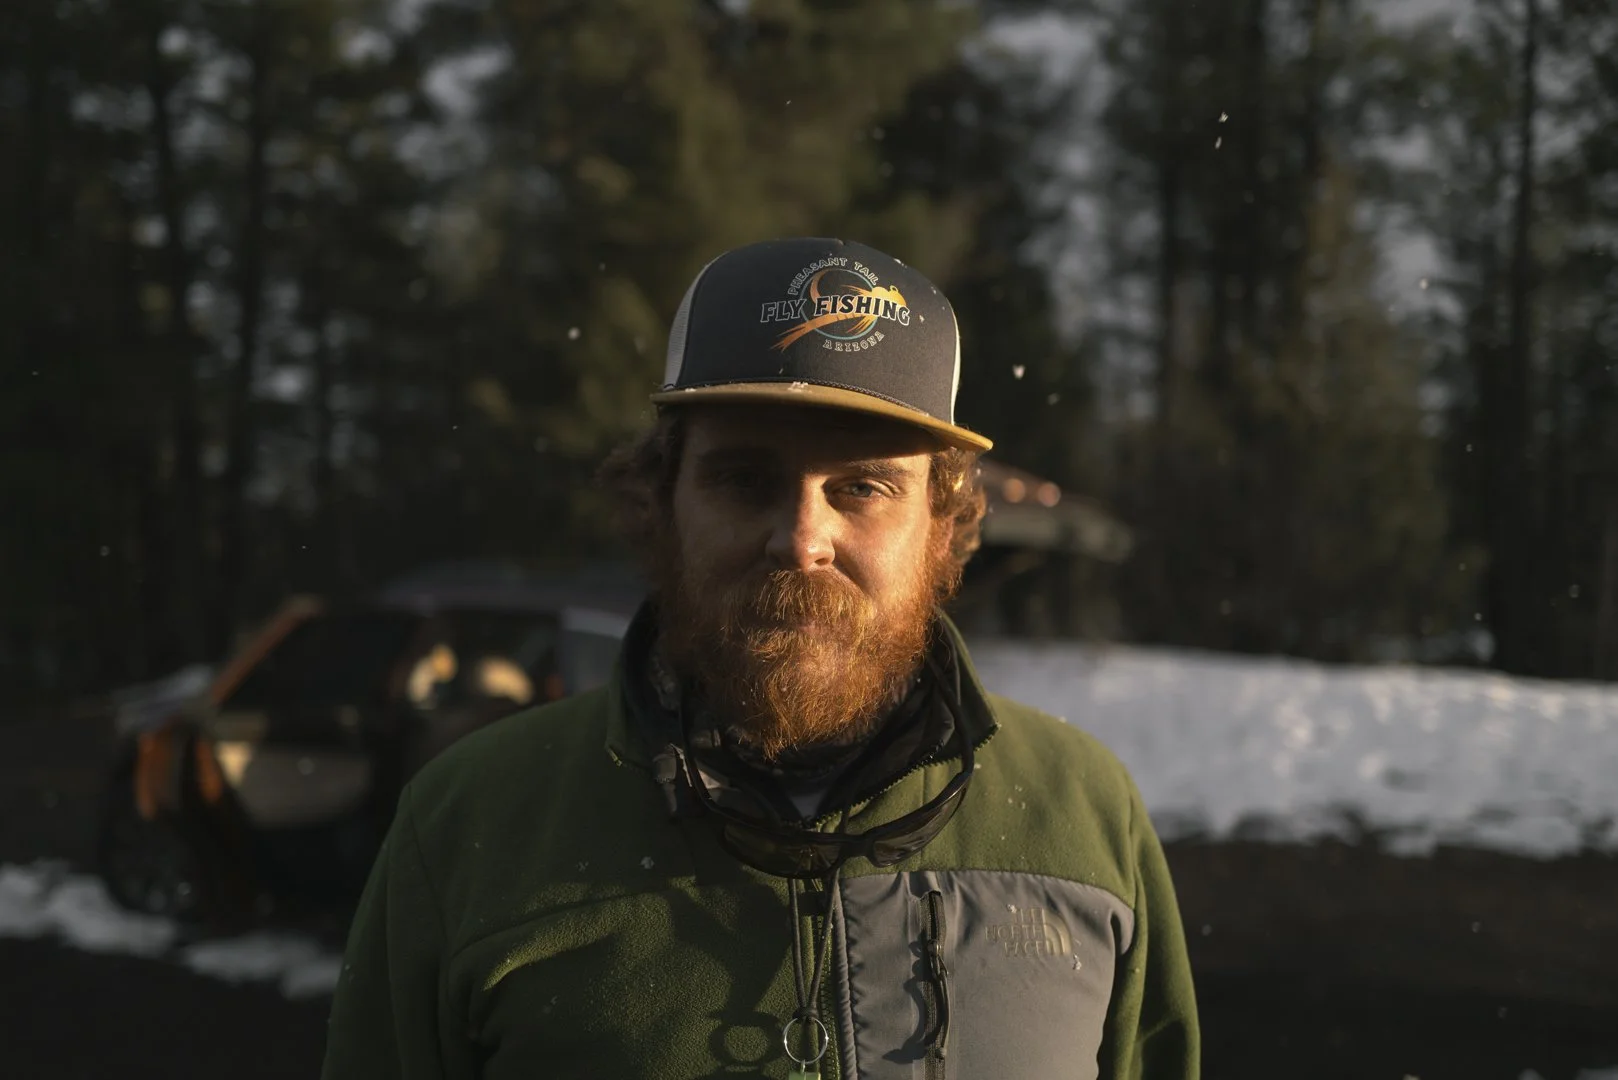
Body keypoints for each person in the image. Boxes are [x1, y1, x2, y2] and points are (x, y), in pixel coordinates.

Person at [321, 237, 1199, 1080]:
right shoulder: (468, 825)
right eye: (744, 479)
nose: (800, 539)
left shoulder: (1084, 817)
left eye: (862, 486)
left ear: (943, 524)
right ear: (660, 502)